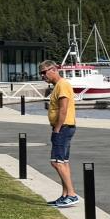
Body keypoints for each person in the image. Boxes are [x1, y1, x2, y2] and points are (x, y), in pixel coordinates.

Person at [39, 60, 79, 207]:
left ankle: (72, 194)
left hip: (63, 127)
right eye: (40, 74)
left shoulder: (62, 85)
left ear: (54, 69)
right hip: (64, 127)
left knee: (56, 162)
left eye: (44, 72)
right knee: (63, 162)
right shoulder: (58, 86)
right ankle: (65, 195)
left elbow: (63, 109)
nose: (43, 76)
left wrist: (57, 128)